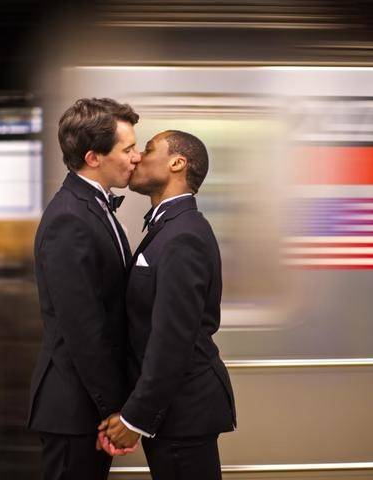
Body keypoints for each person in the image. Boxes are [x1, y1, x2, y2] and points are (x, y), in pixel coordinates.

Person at [98, 130, 236, 480]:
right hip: (176, 412)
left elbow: (171, 340)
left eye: (146, 149)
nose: (137, 158)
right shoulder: (169, 228)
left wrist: (135, 418)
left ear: (177, 163)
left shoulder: (183, 235)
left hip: (183, 412)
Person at [27, 98, 140, 480]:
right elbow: (83, 326)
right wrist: (112, 410)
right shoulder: (69, 219)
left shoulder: (89, 208)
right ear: (94, 158)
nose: (136, 158)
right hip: (75, 407)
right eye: (128, 149)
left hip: (84, 402)